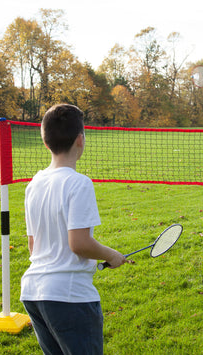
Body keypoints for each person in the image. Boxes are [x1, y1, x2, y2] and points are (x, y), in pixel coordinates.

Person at [20, 104, 126, 355]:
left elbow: (33, 245)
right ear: (80, 140)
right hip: (69, 297)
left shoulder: (33, 184)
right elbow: (78, 244)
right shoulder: (79, 183)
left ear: (46, 142)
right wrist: (112, 255)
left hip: (34, 293)